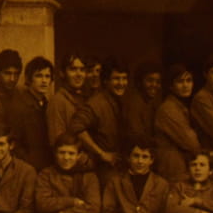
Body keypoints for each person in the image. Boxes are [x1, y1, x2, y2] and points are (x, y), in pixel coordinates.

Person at [69, 57, 129, 186]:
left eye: (124, 78)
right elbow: (76, 127)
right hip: (102, 170)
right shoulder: (96, 103)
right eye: (116, 79)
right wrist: (101, 154)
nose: (121, 83)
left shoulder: (119, 102)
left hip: (117, 166)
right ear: (106, 81)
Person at [154, 64, 200, 182]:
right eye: (180, 81)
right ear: (171, 86)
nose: (185, 85)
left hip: (181, 167)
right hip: (173, 169)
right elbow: (190, 143)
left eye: (189, 80)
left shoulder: (180, 107)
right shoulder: (168, 109)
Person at [18, 56, 54, 172]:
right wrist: (29, 164)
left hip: (46, 166)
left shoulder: (46, 104)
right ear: (29, 79)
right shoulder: (20, 106)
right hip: (28, 167)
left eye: (47, 76)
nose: (44, 81)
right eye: (38, 76)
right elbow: (15, 143)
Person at [47, 53, 86, 146]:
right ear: (62, 73)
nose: (79, 74)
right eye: (73, 69)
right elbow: (57, 142)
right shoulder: (58, 101)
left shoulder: (83, 99)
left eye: (82, 70)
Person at [125, 61, 163, 141]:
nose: (154, 85)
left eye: (158, 82)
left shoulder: (150, 103)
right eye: (150, 80)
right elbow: (138, 138)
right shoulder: (134, 105)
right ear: (139, 82)